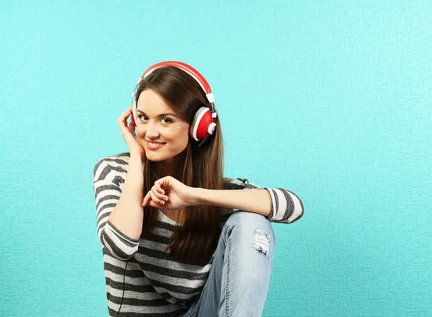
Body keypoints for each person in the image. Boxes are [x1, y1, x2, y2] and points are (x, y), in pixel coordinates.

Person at [92, 61, 304, 317]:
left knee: (251, 220)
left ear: (198, 127)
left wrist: (193, 196)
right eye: (143, 117)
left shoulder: (216, 193)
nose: (150, 131)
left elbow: (292, 207)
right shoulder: (113, 171)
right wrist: (136, 158)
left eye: (166, 120)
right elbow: (119, 246)